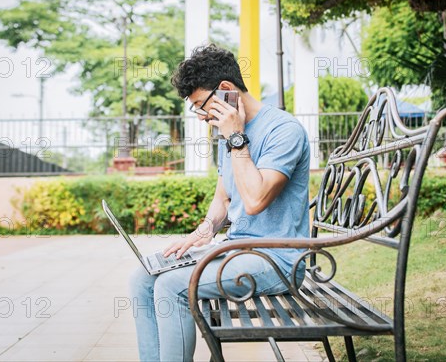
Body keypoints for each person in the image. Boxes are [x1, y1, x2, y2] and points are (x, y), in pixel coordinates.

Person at [129, 44, 310, 361]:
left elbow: (255, 200)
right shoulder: (228, 133)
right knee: (143, 277)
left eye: (202, 105)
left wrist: (236, 138)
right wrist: (205, 230)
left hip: (278, 261)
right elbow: (223, 197)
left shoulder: (283, 129)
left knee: (172, 287)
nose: (201, 117)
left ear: (226, 90)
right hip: (236, 250)